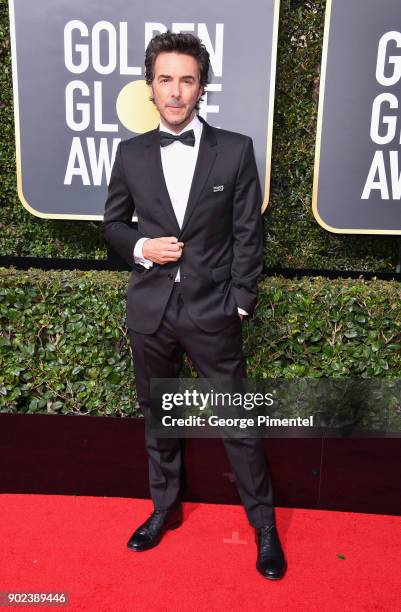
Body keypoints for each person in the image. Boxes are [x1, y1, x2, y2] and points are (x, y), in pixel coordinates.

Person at [102, 31, 286, 580]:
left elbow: (248, 232)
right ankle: (163, 509)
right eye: (166, 80)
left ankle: (265, 527)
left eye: (187, 80)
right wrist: (140, 246)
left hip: (213, 311)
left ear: (201, 87)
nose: (176, 91)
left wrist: (243, 303)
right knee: (160, 420)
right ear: (150, 87)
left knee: (238, 423)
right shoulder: (131, 153)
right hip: (151, 310)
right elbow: (111, 223)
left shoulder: (233, 149)